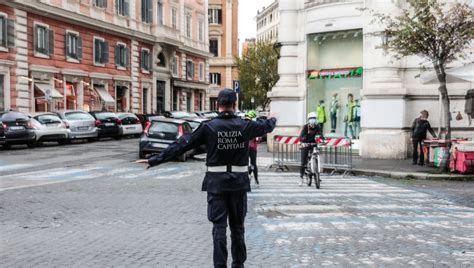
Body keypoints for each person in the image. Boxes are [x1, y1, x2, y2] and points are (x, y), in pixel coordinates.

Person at [136, 89, 277, 267]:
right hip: (238, 185)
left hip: (216, 185)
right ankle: (238, 265)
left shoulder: (208, 127)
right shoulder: (245, 126)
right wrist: (273, 117)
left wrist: (155, 159)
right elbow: (267, 126)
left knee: (219, 229)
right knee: (238, 229)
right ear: (235, 105)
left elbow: (182, 144)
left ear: (218, 105)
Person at [299, 112, 324, 186]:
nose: (312, 120)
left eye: (314, 118)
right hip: (306, 145)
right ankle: (301, 178)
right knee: (303, 162)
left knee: (317, 156)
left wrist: (322, 139)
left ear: (316, 119)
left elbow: (321, 134)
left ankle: (317, 174)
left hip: (314, 145)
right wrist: (304, 139)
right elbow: (301, 137)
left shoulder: (318, 126)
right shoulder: (305, 127)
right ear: (308, 120)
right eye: (311, 118)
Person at [245, 111, 260, 185]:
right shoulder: (255, 126)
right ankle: (256, 179)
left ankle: (248, 176)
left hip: (246, 147)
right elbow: (258, 138)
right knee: (253, 163)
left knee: (246, 163)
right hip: (253, 147)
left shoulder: (244, 124)